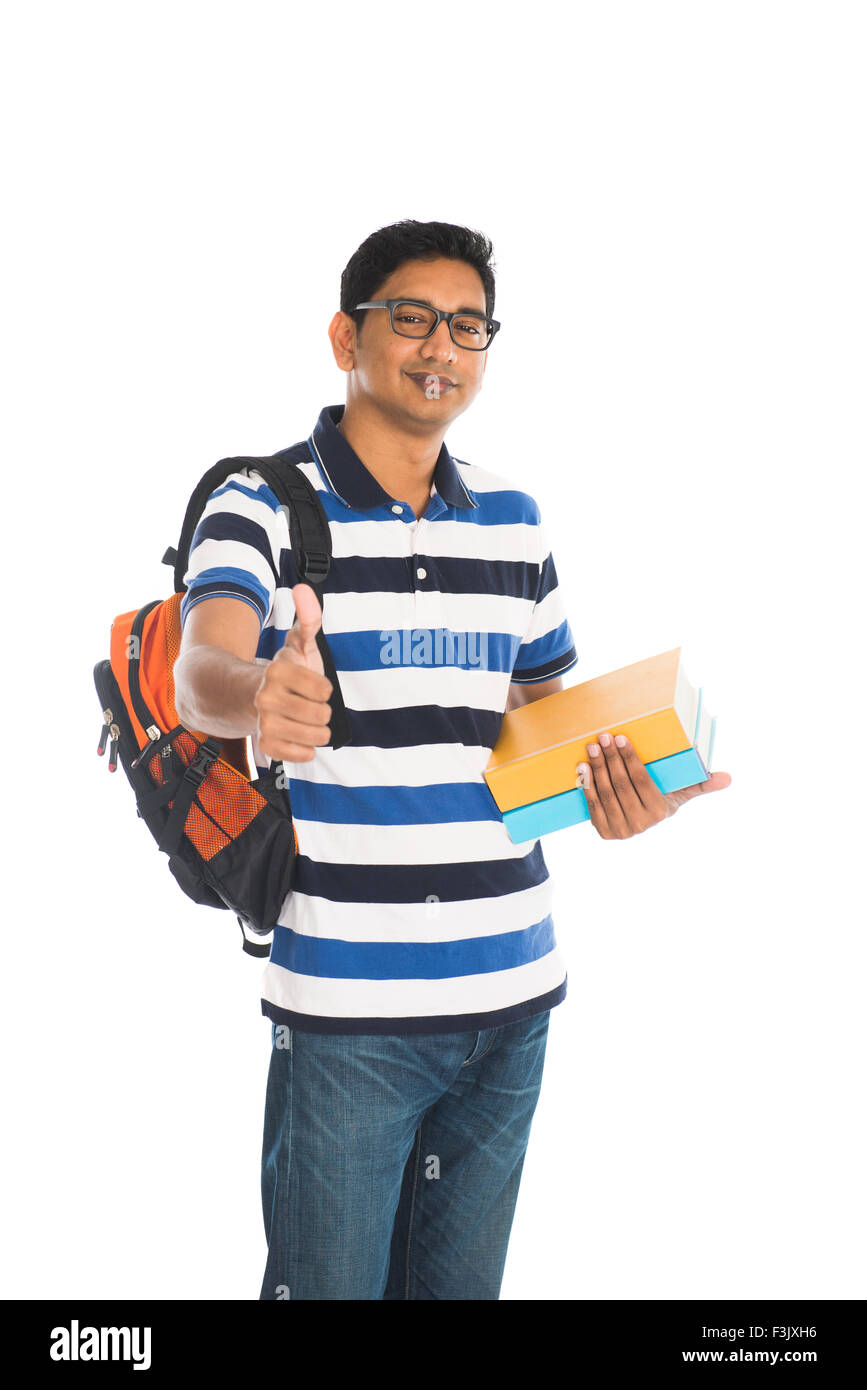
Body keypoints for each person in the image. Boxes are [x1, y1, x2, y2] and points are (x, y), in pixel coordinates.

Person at [173, 219, 580, 1300]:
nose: (441, 344)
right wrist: (258, 690)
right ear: (344, 335)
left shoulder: (514, 523)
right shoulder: (258, 503)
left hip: (513, 997)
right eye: (411, 317)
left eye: (468, 324)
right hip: (351, 1013)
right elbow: (197, 669)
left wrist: (616, 791)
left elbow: (539, 734)